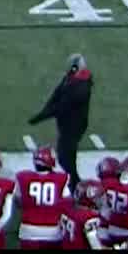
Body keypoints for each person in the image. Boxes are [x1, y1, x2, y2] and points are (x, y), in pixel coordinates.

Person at [28, 54, 93, 183]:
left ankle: (75, 185)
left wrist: (41, 117)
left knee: (65, 158)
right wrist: (43, 112)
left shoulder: (81, 87)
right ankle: (74, 183)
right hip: (66, 125)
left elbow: (61, 106)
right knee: (65, 157)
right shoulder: (71, 79)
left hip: (74, 126)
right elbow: (56, 95)